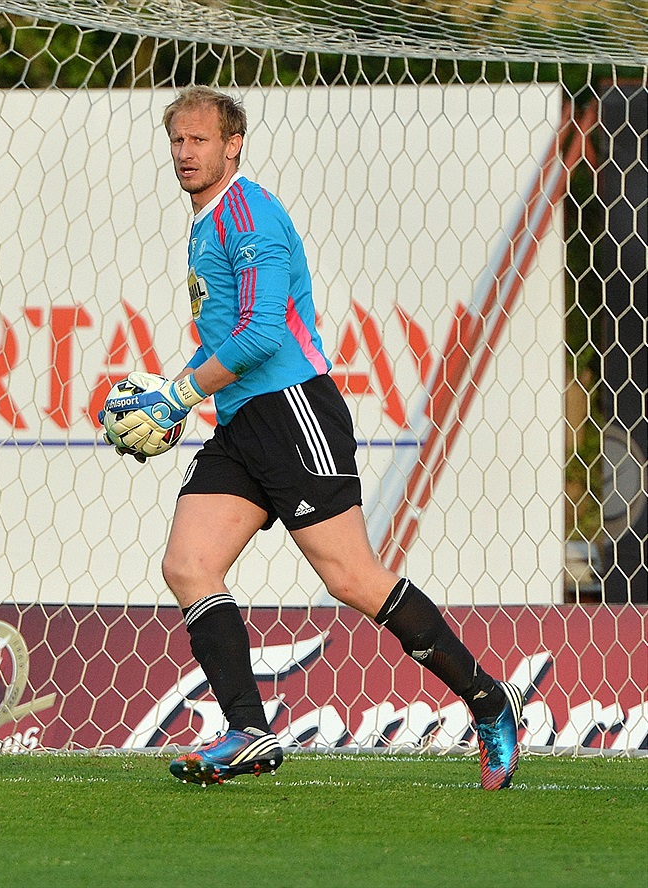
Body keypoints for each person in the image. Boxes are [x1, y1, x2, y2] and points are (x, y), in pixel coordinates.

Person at [104, 85, 523, 790]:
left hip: (294, 410)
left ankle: (487, 699)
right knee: (188, 564)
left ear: (232, 145)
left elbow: (264, 334)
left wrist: (176, 393)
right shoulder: (208, 219)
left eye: (199, 141)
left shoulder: (251, 214)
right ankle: (247, 730)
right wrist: (188, 398)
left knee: (353, 578)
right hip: (242, 423)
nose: (184, 153)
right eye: (177, 141)